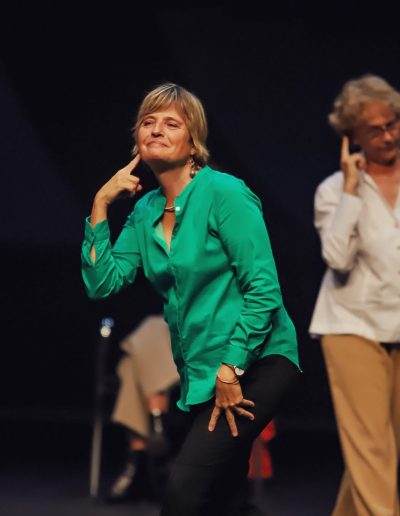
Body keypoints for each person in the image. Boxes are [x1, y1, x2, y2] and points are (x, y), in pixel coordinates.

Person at [81, 82, 300, 515]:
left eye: (171, 123)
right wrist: (101, 204)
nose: (156, 130)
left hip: (256, 361)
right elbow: (103, 283)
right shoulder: (144, 213)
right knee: (222, 499)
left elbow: (264, 288)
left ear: (193, 141)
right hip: (203, 370)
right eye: (148, 122)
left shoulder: (225, 193)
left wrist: (231, 367)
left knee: (183, 492)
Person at [309, 74, 400, 515]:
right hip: (352, 327)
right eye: (376, 129)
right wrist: (349, 190)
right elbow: (338, 259)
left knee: (384, 455)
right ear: (353, 138)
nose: (389, 135)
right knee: (371, 452)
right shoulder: (332, 190)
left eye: (394, 123)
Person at [105, 313, 181, 503]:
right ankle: (158, 428)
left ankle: (137, 467)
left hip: (193, 344)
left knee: (133, 362)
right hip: (156, 351)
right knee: (133, 364)